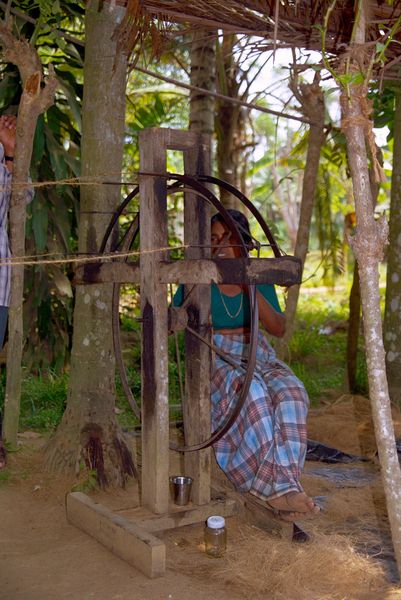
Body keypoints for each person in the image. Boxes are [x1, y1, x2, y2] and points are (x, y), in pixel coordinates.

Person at [174, 209, 319, 522]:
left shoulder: (255, 273)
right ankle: (275, 488)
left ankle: (282, 483)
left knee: (292, 391)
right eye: (213, 239)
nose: (220, 246)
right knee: (250, 392)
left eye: (228, 238)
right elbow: (173, 321)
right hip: (214, 352)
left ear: (244, 244)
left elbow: (278, 328)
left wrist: (247, 285)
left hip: (257, 350)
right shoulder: (196, 274)